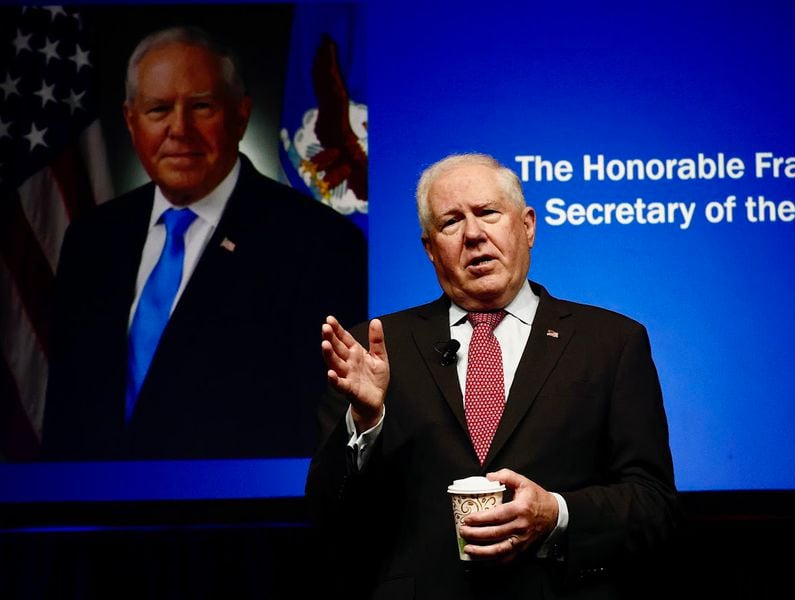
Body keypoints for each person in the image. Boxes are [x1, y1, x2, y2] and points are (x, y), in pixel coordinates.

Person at [306, 153, 677, 598]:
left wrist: (555, 514)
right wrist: (367, 423)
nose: (474, 235)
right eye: (450, 223)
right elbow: (327, 514)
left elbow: (654, 507)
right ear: (429, 248)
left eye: (487, 213)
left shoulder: (611, 342)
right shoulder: (373, 345)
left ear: (527, 226)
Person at [41, 27, 366, 460]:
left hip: (245, 518)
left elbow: (323, 426)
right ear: (131, 120)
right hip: (95, 516)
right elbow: (68, 410)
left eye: (201, 107)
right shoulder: (91, 239)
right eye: (158, 109)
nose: (180, 129)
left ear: (241, 115)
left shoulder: (318, 241)